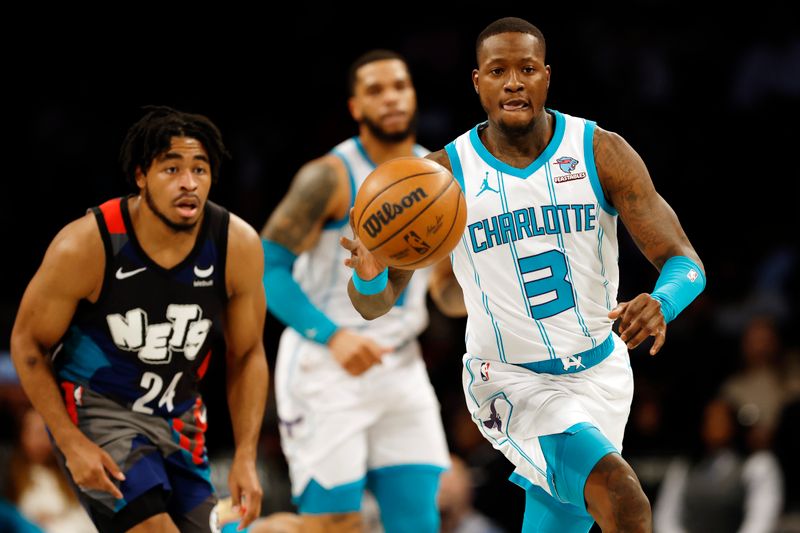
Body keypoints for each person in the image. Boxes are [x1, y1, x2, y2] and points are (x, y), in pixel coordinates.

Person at [342, 18, 706, 532]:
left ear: (546, 77)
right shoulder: (442, 177)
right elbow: (373, 305)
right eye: (498, 70)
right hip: (511, 380)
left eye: (527, 69)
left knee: (561, 518)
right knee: (625, 500)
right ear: (478, 82)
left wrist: (662, 301)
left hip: (601, 373)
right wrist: (371, 274)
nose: (513, 81)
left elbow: (686, 262)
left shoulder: (600, 152)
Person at [10, 107, 268, 532]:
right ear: (141, 176)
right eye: (172, 168)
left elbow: (248, 353)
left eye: (200, 169)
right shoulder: (87, 245)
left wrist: (245, 455)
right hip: (98, 409)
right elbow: (26, 343)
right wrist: (70, 441)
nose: (189, 183)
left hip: (181, 417)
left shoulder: (236, 244)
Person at [261, 50, 459, 532]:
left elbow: (447, 298)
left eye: (399, 86)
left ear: (413, 96)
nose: (390, 97)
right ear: (355, 107)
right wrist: (332, 336)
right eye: (375, 90)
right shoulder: (327, 177)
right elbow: (266, 267)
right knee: (335, 525)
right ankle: (230, 528)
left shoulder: (438, 177)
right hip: (326, 360)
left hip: (400, 362)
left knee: (418, 522)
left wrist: (485, 290)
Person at [653, 398, 783, 533]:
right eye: (709, 419)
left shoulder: (758, 464)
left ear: (734, 424)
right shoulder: (684, 466)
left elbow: (761, 519)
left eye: (722, 420)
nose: (715, 425)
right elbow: (665, 516)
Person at [5, 408, 96, 532]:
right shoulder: (10, 474)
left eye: (45, 433)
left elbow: (81, 514)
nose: (41, 440)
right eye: (35, 432)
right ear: (22, 434)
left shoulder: (67, 470)